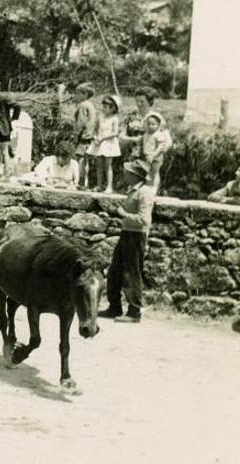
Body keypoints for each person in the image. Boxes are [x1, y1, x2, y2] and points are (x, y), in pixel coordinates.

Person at [100, 161, 156, 323]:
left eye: (127, 172)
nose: (124, 174)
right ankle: (114, 307)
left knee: (131, 273)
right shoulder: (134, 190)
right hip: (127, 234)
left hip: (136, 236)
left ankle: (134, 312)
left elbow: (144, 220)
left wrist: (123, 214)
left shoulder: (144, 192)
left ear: (134, 175)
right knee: (115, 271)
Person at [121, 112, 170, 193]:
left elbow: (161, 146)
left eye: (153, 124)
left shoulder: (158, 134)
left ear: (158, 125)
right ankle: (142, 187)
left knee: (153, 173)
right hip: (146, 156)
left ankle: (153, 188)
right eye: (148, 124)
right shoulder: (146, 134)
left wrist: (154, 155)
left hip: (156, 157)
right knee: (146, 172)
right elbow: (142, 143)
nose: (150, 126)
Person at [11, 141, 79, 189]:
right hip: (48, 184)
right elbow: (38, 170)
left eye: (68, 158)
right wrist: (47, 178)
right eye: (63, 158)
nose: (66, 160)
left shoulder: (74, 164)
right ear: (57, 156)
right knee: (33, 178)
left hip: (65, 187)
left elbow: (76, 182)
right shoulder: (49, 160)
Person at [91, 95, 122, 193]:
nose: (104, 109)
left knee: (108, 166)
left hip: (109, 143)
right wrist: (96, 137)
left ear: (113, 108)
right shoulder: (100, 117)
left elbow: (115, 133)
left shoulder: (114, 118)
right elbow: (95, 130)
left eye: (106, 107)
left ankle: (109, 187)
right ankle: (99, 185)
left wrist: (103, 138)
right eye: (103, 106)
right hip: (99, 143)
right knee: (99, 166)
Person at [73, 82, 98, 190]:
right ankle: (88, 183)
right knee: (87, 161)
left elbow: (81, 123)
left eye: (77, 94)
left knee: (81, 159)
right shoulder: (91, 105)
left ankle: (81, 182)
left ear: (84, 94)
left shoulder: (83, 105)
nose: (75, 96)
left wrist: (75, 136)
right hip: (90, 137)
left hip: (83, 137)